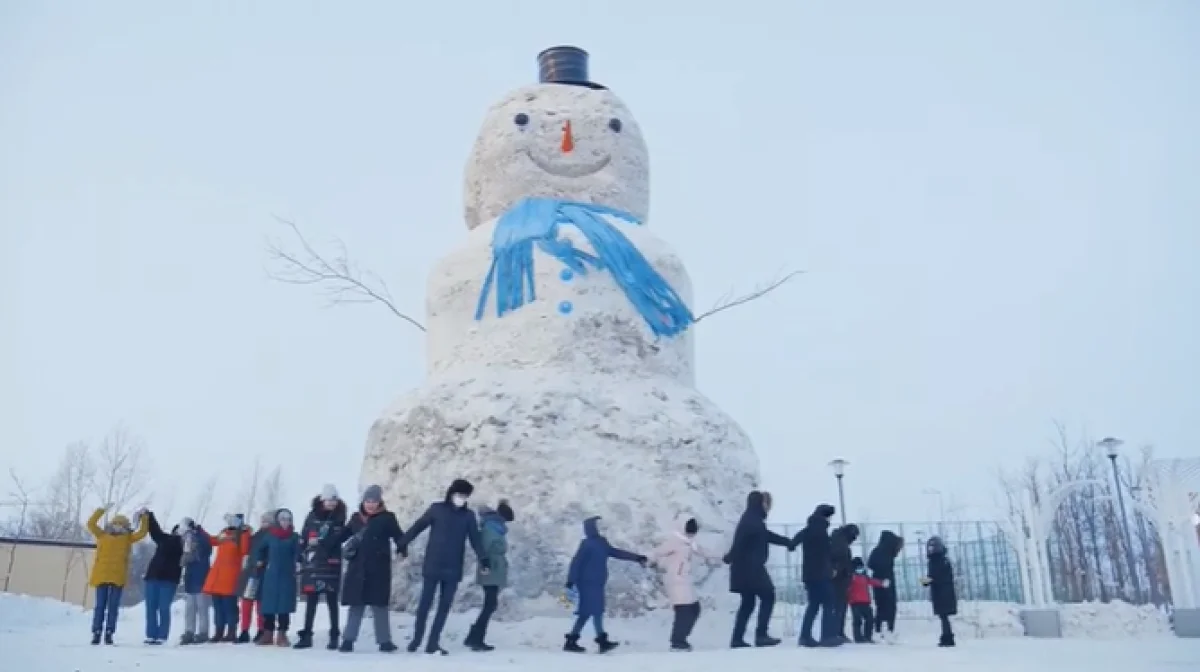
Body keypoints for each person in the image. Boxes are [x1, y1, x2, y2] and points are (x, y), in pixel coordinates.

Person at [400, 478, 489, 655]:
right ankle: (417, 639)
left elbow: (475, 540)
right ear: (451, 493)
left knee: (444, 607)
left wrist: (483, 558)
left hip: (453, 567)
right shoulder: (436, 509)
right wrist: (403, 542)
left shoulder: (468, 516)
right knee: (424, 604)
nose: (461, 498)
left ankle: (433, 642)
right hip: (433, 564)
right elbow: (418, 526)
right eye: (459, 494)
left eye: (465, 496)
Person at [563, 515, 647, 654]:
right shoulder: (588, 544)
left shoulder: (600, 543)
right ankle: (602, 641)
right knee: (596, 611)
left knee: (586, 613)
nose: (598, 528)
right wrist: (571, 580)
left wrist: (636, 557)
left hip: (595, 583)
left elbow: (616, 552)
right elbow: (576, 562)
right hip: (588, 583)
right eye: (596, 525)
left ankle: (571, 641)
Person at [338, 484, 405, 653]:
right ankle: (347, 640)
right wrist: (327, 544)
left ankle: (384, 642)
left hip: (378, 569)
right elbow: (342, 535)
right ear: (363, 501)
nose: (370, 504)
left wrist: (402, 548)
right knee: (356, 606)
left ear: (379, 501)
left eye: (374, 501)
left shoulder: (388, 518)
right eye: (368, 500)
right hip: (358, 569)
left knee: (379, 606)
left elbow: (398, 535)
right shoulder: (355, 518)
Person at [724, 490, 794, 649]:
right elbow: (741, 542)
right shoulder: (752, 521)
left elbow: (766, 536)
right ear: (761, 503)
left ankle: (737, 638)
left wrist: (787, 542)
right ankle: (761, 635)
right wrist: (730, 556)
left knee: (748, 603)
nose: (768, 507)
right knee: (768, 595)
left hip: (744, 568)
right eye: (767, 504)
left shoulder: (751, 519)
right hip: (751, 568)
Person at [649, 514, 722, 651]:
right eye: (690, 529)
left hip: (684, 580)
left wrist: (724, 556)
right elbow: (657, 552)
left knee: (694, 609)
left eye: (693, 529)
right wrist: (649, 561)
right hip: (676, 580)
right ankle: (677, 641)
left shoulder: (689, 543)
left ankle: (680, 639)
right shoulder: (674, 542)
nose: (692, 532)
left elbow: (703, 552)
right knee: (684, 610)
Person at [85, 506, 149, 645]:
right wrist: (101, 510)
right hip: (102, 576)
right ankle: (97, 632)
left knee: (112, 607)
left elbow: (142, 533)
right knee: (101, 606)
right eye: (116, 524)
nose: (118, 527)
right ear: (111, 524)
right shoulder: (101, 535)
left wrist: (144, 517)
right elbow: (90, 524)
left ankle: (108, 633)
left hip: (116, 577)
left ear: (126, 527)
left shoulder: (127, 538)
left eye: (122, 525)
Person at [294, 484, 347, 650]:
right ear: (322, 500)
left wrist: (324, 542)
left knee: (332, 600)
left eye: (334, 500)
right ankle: (307, 635)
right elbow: (304, 534)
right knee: (311, 600)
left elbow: (339, 538)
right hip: (313, 562)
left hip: (331, 562)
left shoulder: (339, 517)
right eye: (329, 499)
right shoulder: (312, 515)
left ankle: (334, 636)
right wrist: (299, 553)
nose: (331, 503)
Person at [464, 499, 514, 652]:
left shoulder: (493, 527)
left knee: (490, 604)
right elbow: (487, 547)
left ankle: (474, 637)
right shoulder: (491, 528)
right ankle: (475, 638)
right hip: (490, 568)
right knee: (490, 604)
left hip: (493, 568)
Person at [202, 513, 252, 643]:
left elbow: (245, 550)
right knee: (218, 607)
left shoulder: (242, 535)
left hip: (231, 577)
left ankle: (231, 631)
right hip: (217, 576)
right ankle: (219, 631)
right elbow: (213, 541)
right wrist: (200, 531)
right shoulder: (225, 533)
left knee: (230, 607)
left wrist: (244, 532)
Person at [256, 508, 301, 646]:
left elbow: (298, 552)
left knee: (284, 606)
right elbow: (259, 549)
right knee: (269, 605)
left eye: (288, 519)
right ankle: (268, 633)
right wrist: (260, 561)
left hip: (287, 574)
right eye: (282, 519)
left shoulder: (294, 537)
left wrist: (298, 562)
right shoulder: (270, 536)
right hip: (271, 574)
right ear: (277, 521)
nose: (285, 522)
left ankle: (282, 634)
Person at [795, 503, 838, 647]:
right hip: (821, 573)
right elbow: (827, 553)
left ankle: (805, 636)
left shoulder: (807, 530)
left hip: (809, 574)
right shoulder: (822, 532)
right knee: (828, 602)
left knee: (813, 605)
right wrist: (831, 568)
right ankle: (827, 636)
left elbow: (793, 543)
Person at [142, 510, 184, 645]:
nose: (179, 532)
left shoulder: (185, 545)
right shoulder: (164, 539)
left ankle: (162, 635)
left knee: (164, 607)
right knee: (151, 607)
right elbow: (154, 530)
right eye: (178, 530)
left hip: (169, 580)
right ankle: (150, 635)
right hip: (153, 576)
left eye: (182, 530)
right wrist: (149, 515)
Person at [237, 512, 273, 643]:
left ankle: (261, 629)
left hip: (264, 574)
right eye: (263, 521)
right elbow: (245, 549)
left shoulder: (272, 536)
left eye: (267, 521)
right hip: (251, 573)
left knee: (261, 604)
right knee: (246, 603)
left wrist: (264, 562)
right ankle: (244, 630)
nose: (264, 523)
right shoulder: (255, 536)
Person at [178, 518, 212, 644]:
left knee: (202, 606)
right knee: (189, 607)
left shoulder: (202, 537)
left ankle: (203, 632)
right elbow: (187, 555)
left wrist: (193, 553)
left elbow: (203, 553)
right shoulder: (188, 538)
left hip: (201, 576)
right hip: (190, 577)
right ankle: (189, 631)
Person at [867, 530, 903, 642]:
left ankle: (878, 629)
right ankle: (889, 629)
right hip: (887, 579)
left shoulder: (877, 551)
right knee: (890, 606)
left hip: (878, 580)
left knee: (880, 606)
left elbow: (870, 564)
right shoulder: (889, 552)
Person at [921, 535, 958, 647]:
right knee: (944, 616)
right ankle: (947, 636)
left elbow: (935, 576)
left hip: (941, 592)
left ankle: (947, 638)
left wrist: (926, 581)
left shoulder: (937, 561)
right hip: (944, 591)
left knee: (943, 615)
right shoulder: (943, 560)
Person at [830, 523, 860, 642]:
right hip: (839, 579)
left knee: (840, 607)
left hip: (841, 578)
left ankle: (838, 632)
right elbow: (839, 560)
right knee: (839, 607)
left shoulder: (839, 540)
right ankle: (837, 632)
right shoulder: (840, 543)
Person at [847, 557, 886, 643]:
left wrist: (882, 583)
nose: (860, 569)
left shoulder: (865, 577)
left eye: (861, 567)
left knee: (870, 619)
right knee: (857, 620)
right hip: (855, 602)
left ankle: (867, 636)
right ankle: (858, 638)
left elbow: (872, 581)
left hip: (865, 602)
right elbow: (848, 589)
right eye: (858, 567)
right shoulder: (851, 577)